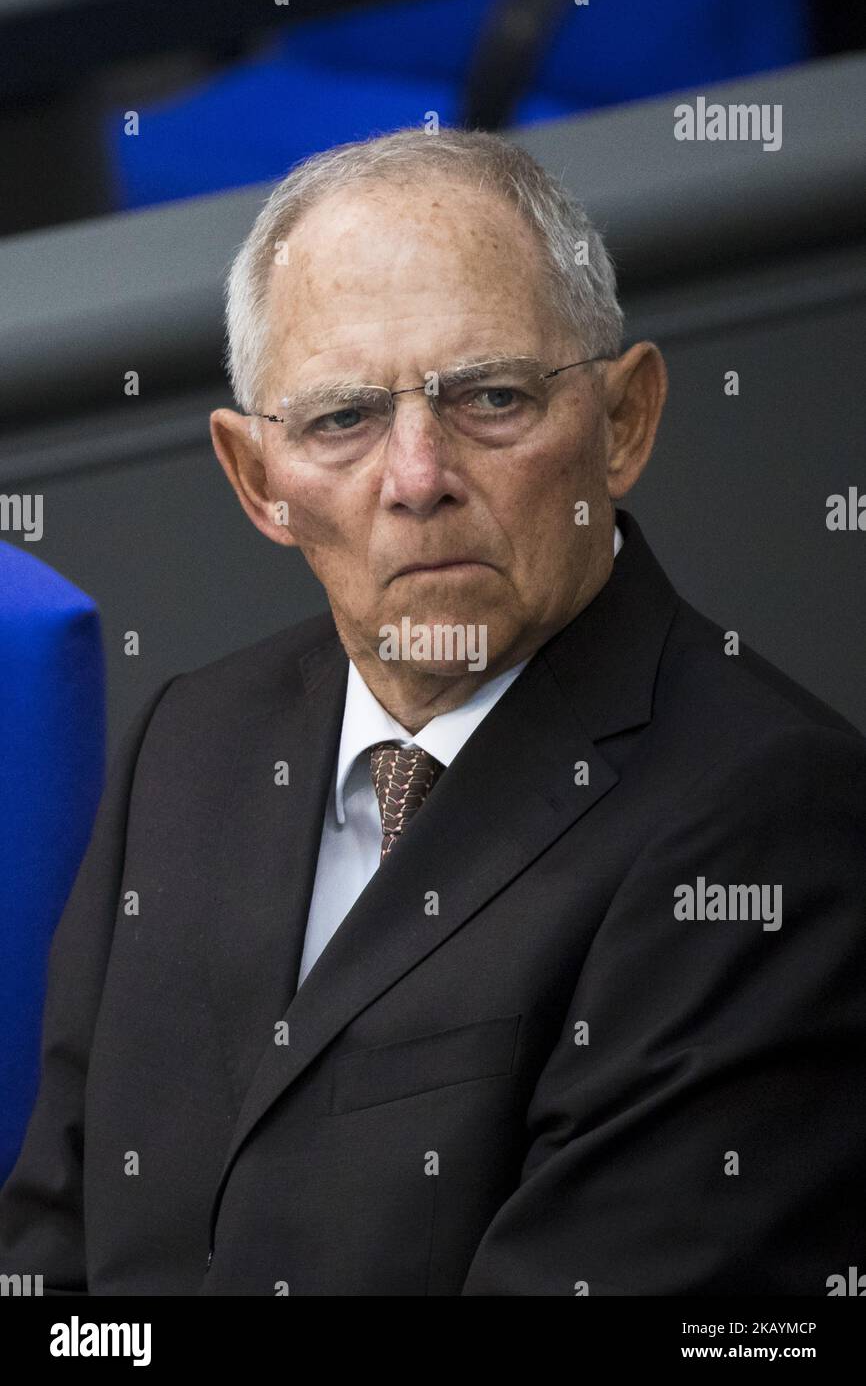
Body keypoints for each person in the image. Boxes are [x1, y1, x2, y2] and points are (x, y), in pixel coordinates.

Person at [1, 127, 864, 1297]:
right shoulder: (193, 738)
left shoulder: (773, 820)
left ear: (623, 422)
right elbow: (51, 1245)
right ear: (258, 479)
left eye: (491, 397)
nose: (416, 476)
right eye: (341, 420)